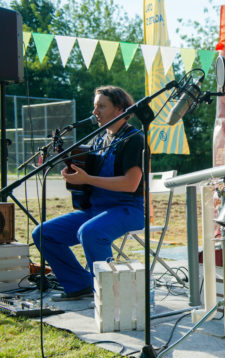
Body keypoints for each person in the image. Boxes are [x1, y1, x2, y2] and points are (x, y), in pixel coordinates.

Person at [32, 86, 146, 302]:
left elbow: (131, 184)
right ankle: (79, 284)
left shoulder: (134, 139)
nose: (95, 112)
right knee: (43, 233)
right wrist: (73, 174)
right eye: (95, 107)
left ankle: (110, 296)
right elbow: (88, 175)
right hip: (96, 209)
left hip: (128, 209)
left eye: (101, 106)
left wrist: (87, 179)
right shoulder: (99, 139)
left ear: (120, 109)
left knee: (91, 232)